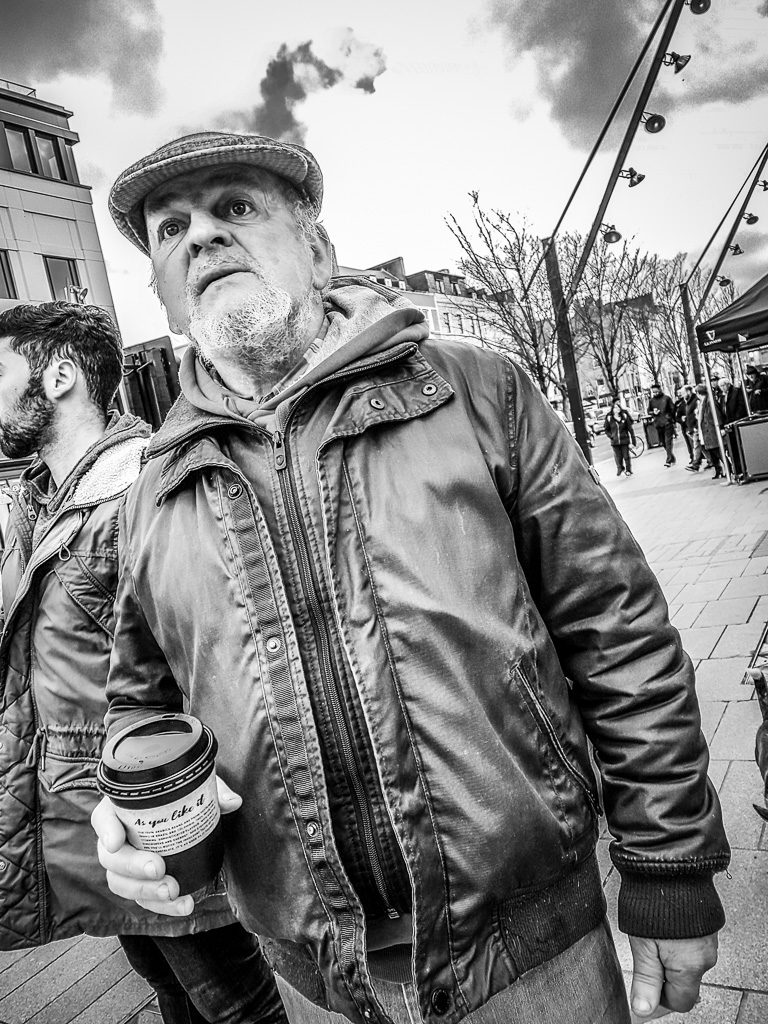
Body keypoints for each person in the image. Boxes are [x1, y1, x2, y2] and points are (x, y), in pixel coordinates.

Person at [92, 131, 729, 1024]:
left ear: (316, 249)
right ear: (161, 291)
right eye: (170, 229)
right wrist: (129, 801)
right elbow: (138, 704)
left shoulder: (477, 392)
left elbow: (617, 631)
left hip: (532, 951)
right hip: (322, 978)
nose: (199, 236)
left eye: (236, 207)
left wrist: (669, 864)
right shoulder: (150, 494)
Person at [0, 302, 285, 1024]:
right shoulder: (38, 500)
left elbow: (214, 656)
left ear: (59, 375)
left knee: (235, 1006)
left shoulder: (139, 492)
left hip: (157, 813)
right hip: (81, 822)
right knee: (175, 998)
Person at [686, 383, 725, 479]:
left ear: (699, 393)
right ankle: (718, 470)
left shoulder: (709, 402)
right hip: (707, 431)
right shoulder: (703, 402)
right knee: (713, 452)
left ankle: (728, 470)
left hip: (711, 430)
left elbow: (717, 415)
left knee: (717, 452)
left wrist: (720, 427)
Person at [603, 399, 636, 476]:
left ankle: (628, 470)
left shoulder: (624, 416)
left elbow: (630, 429)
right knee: (619, 457)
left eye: (618, 407)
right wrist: (611, 436)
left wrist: (633, 442)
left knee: (626, 456)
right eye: (615, 407)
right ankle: (621, 468)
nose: (617, 409)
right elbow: (606, 429)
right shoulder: (609, 418)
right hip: (615, 442)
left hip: (624, 440)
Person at [647, 382, 676, 466]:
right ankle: (671, 457)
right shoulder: (651, 401)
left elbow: (672, 409)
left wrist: (669, 417)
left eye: (656, 391)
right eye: (654, 392)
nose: (655, 393)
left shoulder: (666, 398)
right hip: (658, 423)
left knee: (668, 441)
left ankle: (669, 460)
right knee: (663, 442)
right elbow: (648, 411)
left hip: (667, 423)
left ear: (660, 390)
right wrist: (653, 412)